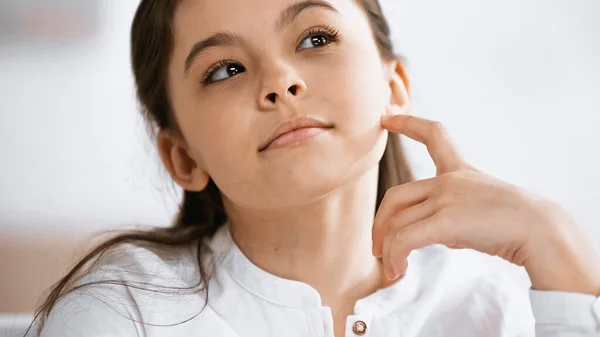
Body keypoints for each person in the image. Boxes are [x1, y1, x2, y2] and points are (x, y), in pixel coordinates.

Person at [31, 0, 600, 336]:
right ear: (184, 156)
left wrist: (556, 245)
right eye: (225, 70)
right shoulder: (122, 312)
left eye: (315, 37)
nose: (280, 81)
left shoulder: (500, 305)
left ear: (394, 87)